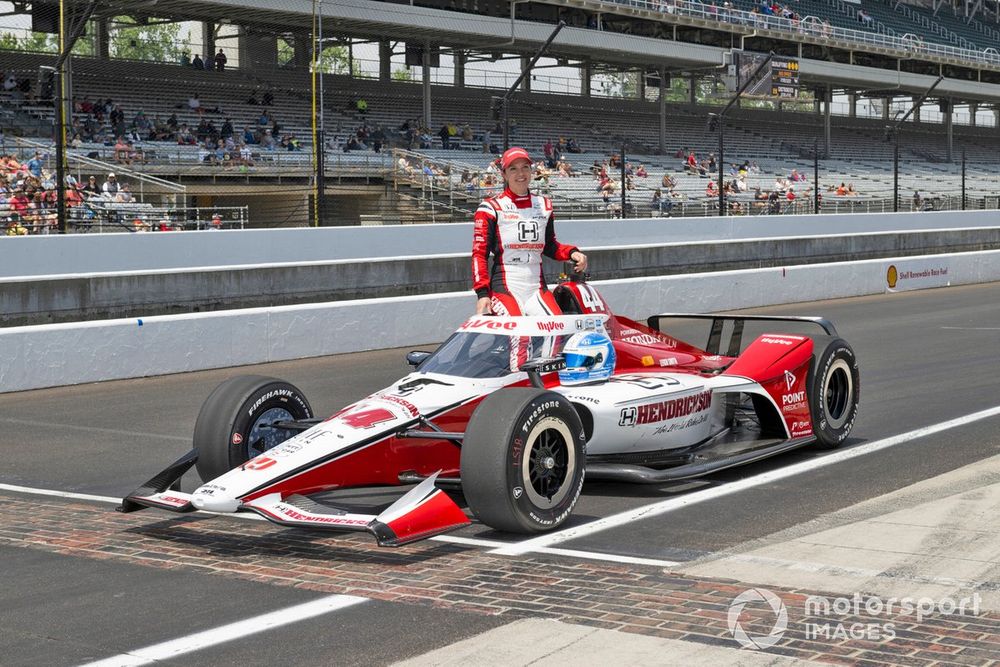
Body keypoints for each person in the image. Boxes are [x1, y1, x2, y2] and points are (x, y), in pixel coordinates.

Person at [472, 147, 587, 316]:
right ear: (504, 174)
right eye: (513, 168)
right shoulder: (490, 207)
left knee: (557, 331)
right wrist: (482, 294)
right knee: (520, 338)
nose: (520, 173)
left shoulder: (544, 205)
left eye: (525, 167)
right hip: (505, 286)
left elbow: (550, 246)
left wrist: (572, 252)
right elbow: (479, 254)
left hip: (536, 287)